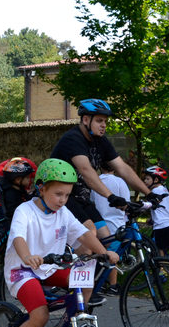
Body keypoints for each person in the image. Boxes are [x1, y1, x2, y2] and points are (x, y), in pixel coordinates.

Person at [0, 159, 119, 327]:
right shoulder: (25, 211)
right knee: (39, 316)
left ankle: (72, 323)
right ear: (41, 189)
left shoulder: (63, 213)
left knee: (85, 281)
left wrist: (105, 253)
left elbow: (83, 235)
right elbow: (19, 238)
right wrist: (28, 256)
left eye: (67, 194)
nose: (63, 200)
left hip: (49, 267)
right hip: (22, 270)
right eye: (58, 194)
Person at [50, 100, 154, 237]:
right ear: (86, 120)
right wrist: (111, 197)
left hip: (83, 200)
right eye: (99, 121)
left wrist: (149, 193)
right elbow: (86, 170)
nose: (104, 125)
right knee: (90, 236)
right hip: (63, 198)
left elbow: (122, 167)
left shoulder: (100, 141)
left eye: (105, 121)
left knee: (107, 238)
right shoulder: (73, 139)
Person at [90, 161, 132, 300]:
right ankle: (113, 285)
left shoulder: (95, 181)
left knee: (100, 255)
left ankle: (101, 283)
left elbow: (91, 202)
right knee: (112, 254)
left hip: (100, 222)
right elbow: (126, 202)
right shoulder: (121, 182)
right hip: (118, 223)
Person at [142, 165, 169, 256]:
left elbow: (149, 205)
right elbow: (160, 208)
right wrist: (152, 220)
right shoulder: (163, 189)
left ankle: (160, 267)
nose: (145, 181)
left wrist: (140, 206)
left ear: (155, 180)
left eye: (147, 179)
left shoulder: (156, 191)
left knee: (158, 248)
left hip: (162, 226)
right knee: (156, 244)